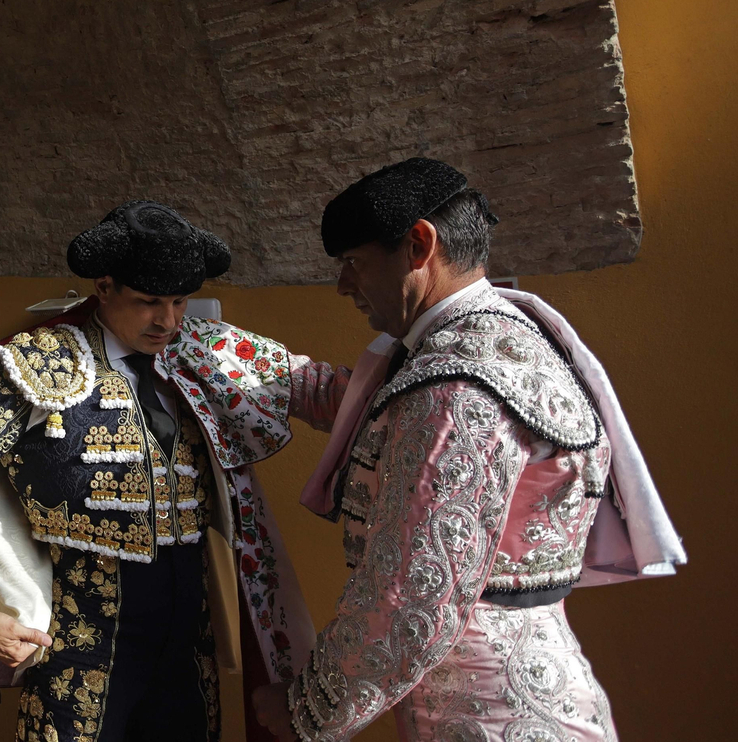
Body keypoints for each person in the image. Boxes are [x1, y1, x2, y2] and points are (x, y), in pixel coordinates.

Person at [253, 158, 686, 741]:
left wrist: (306, 709)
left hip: (479, 712)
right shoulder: (508, 334)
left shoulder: (453, 383)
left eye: (354, 263)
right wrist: (253, 366)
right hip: (539, 679)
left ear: (418, 245)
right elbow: (387, 417)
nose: (343, 286)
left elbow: (412, 594)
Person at [0, 201, 348, 742]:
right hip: (80, 634)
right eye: (149, 301)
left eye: (178, 301)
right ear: (104, 287)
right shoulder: (43, 360)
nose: (168, 321)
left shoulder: (204, 352)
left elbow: (321, 390)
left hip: (188, 635)